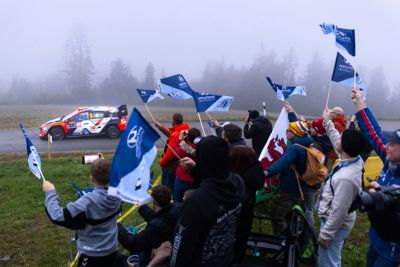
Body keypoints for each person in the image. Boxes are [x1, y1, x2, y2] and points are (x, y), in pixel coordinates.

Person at [170, 136, 245, 267]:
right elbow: (217, 182)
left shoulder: (196, 202)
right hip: (225, 255)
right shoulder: (238, 183)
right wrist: (195, 170)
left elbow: (181, 244)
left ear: (202, 160)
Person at [43, 159, 122, 267]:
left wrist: (50, 192)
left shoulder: (87, 203)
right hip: (112, 249)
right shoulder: (119, 193)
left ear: (91, 179)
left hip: (91, 256)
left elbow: (57, 216)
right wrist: (104, 166)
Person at [352, 88, 400, 266]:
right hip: (377, 237)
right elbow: (374, 133)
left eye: (393, 144)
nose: (387, 146)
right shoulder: (390, 162)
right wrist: (360, 102)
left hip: (393, 250)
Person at [317, 106, 367, 267]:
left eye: (341, 138)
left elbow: (339, 210)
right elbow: (334, 137)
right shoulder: (352, 158)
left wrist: (326, 234)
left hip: (336, 225)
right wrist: (327, 121)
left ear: (344, 147)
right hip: (335, 222)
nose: (337, 139)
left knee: (328, 262)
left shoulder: (347, 178)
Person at [264, 121, 311, 236]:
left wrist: (267, 172)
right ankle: (293, 235)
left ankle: (285, 242)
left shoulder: (295, 148)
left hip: (290, 187)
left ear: (294, 133)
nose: (286, 132)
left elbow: (283, 162)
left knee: (277, 216)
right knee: (290, 214)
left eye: (288, 131)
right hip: (300, 185)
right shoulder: (308, 142)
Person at [118, 185, 181, 264]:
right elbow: (160, 218)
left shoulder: (155, 228)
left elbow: (132, 243)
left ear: (154, 203)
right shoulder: (177, 208)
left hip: (157, 257)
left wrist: (117, 227)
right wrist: (142, 207)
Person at [230, 145, 265, 264]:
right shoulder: (256, 170)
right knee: (242, 237)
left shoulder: (237, 178)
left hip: (235, 215)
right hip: (248, 212)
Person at [155, 113, 190, 190]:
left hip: (172, 165)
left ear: (173, 122)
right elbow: (171, 134)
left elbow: (170, 154)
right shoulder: (185, 130)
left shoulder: (175, 135)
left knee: (167, 187)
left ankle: (167, 200)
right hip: (180, 165)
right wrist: (160, 127)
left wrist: (162, 162)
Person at [172, 128, 201, 202]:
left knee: (177, 197)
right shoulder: (204, 148)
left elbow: (174, 151)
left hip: (182, 178)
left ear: (188, 138)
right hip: (198, 178)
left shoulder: (182, 149)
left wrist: (179, 139)